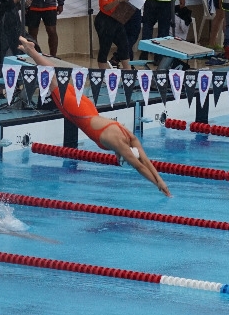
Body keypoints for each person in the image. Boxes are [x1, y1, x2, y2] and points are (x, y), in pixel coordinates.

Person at [20, 37, 171, 197]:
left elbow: (146, 161)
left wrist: (161, 181)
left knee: (55, 78)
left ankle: (32, 51)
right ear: (127, 152)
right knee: (53, 80)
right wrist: (158, 185)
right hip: (79, 113)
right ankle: (31, 50)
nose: (125, 159)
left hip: (88, 107)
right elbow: (140, 167)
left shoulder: (130, 137)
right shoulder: (119, 143)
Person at [95, 0, 133, 69]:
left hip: (116, 20)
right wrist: (119, 0)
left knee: (124, 45)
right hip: (105, 21)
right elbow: (106, 7)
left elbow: (122, 3)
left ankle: (128, 72)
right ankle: (103, 74)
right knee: (105, 48)